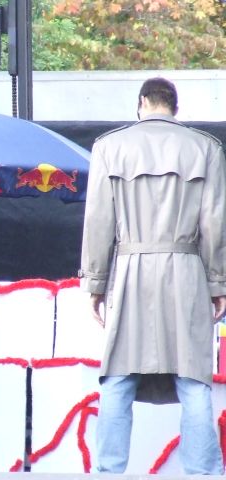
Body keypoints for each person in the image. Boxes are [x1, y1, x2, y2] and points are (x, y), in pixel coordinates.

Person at [80, 77, 226, 475]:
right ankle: (203, 474)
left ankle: (109, 472)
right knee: (193, 378)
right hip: (186, 271)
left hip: (129, 271)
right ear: (175, 106)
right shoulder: (205, 148)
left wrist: (94, 282)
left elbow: (98, 221)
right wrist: (218, 283)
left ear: (142, 102)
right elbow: (214, 224)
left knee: (118, 375)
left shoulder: (109, 147)